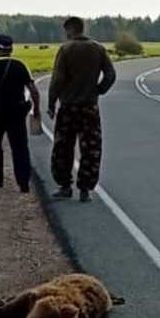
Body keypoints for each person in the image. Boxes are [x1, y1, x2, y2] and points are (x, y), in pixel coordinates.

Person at [47, 16, 116, 201]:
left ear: (70, 30)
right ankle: (85, 189)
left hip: (68, 107)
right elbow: (110, 74)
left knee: (63, 148)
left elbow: (57, 80)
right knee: (91, 149)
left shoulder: (66, 49)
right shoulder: (98, 49)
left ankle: (65, 186)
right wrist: (99, 89)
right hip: (89, 107)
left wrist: (51, 103)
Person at [0, 34, 41, 192]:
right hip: (17, 110)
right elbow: (33, 90)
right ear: (11, 49)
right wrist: (36, 109)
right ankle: (24, 183)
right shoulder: (21, 65)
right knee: (20, 147)